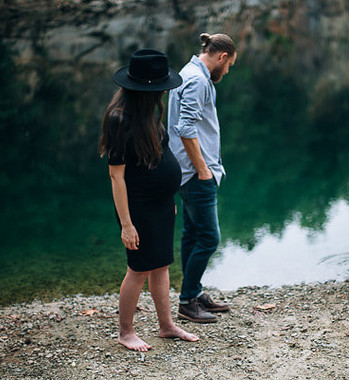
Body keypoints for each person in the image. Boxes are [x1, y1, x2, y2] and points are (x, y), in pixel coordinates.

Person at [99, 49, 198, 351]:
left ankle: (166, 325)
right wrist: (126, 224)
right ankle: (125, 332)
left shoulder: (150, 110)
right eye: (159, 89)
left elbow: (157, 157)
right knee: (138, 269)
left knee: (162, 264)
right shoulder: (120, 119)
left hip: (161, 204)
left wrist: (168, 197)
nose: (163, 93)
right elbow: (117, 177)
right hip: (137, 206)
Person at [168, 33, 237, 323]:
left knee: (193, 234)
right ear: (222, 57)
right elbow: (186, 128)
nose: (228, 70)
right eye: (230, 65)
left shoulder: (190, 73)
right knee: (209, 237)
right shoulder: (197, 80)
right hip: (196, 173)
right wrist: (203, 169)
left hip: (185, 171)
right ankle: (187, 302)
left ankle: (194, 293)